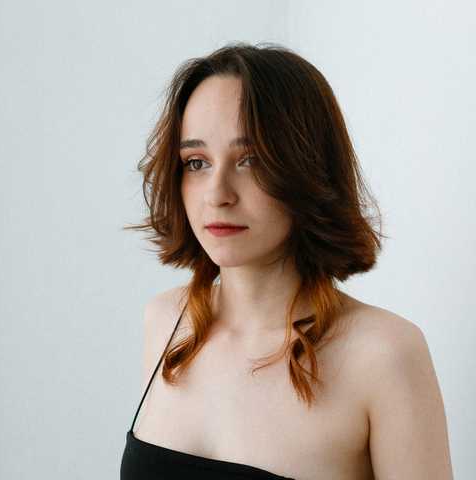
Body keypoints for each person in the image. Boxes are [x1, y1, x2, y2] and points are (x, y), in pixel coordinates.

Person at [120, 42, 453, 479]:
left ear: (308, 168)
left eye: (250, 160)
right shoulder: (166, 322)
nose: (217, 194)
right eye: (197, 162)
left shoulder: (383, 354)